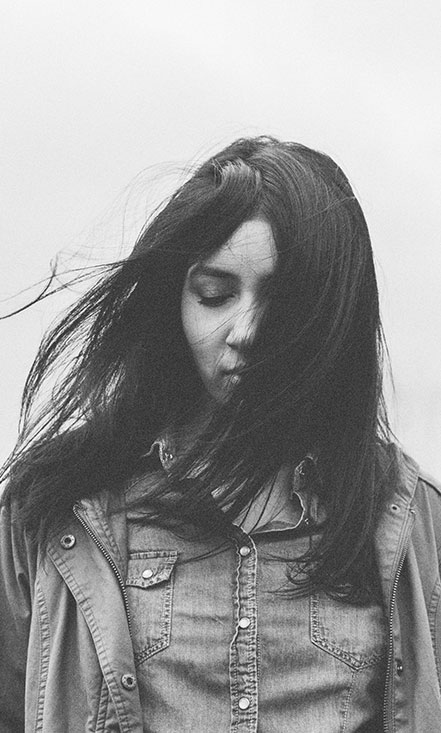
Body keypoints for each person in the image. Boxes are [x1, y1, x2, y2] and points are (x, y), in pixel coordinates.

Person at [0, 136, 440, 733]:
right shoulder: (54, 514)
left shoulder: (407, 519)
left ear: (334, 311)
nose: (245, 332)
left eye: (284, 301)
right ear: (172, 297)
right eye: (214, 294)